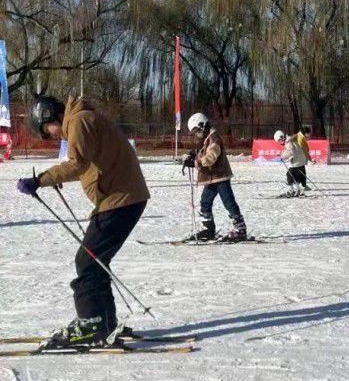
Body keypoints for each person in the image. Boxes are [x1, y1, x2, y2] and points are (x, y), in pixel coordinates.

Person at [16, 96, 150, 347]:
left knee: (87, 261)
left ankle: (92, 323)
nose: (53, 136)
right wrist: (58, 177)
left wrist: (40, 180)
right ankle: (104, 322)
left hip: (121, 198)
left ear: (51, 116)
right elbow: (91, 162)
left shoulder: (78, 121)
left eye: (48, 131)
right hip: (122, 196)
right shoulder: (84, 119)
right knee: (94, 261)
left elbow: (77, 163)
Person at [181, 113, 247, 242]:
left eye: (197, 131)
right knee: (205, 202)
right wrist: (193, 155)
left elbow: (211, 157)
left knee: (229, 202)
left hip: (220, 176)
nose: (196, 134)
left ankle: (241, 229)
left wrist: (196, 163)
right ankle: (209, 229)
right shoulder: (206, 139)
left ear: (203, 125)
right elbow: (202, 152)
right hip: (211, 178)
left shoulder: (214, 138)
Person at [274, 129, 308, 197]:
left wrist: (282, 156)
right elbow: (293, 151)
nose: (280, 143)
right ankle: (298, 190)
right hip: (300, 161)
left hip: (297, 162)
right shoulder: (290, 140)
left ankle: (292, 190)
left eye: (279, 141)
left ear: (281, 137)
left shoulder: (288, 141)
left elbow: (290, 151)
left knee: (290, 175)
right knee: (298, 177)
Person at [294, 125, 313, 190]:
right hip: (299, 158)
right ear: (306, 133)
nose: (310, 135)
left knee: (301, 171)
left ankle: (302, 185)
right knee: (301, 172)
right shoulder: (301, 139)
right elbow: (303, 150)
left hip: (299, 158)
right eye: (309, 133)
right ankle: (302, 186)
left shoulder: (300, 136)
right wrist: (310, 159)